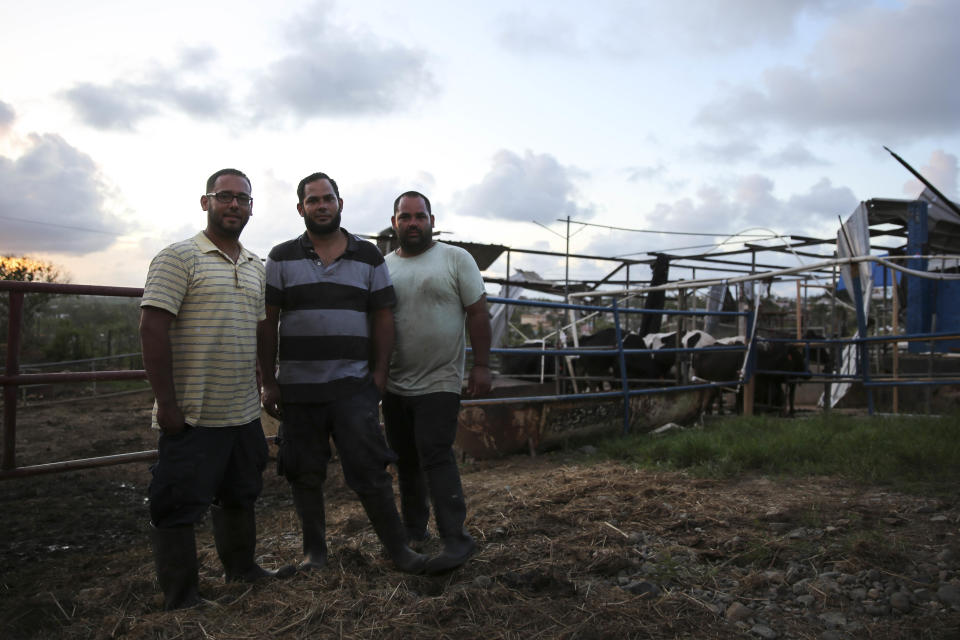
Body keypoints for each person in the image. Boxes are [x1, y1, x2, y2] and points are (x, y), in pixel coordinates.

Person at [258, 172, 426, 574]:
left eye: (327, 198)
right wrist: (268, 379)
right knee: (303, 471)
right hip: (298, 389)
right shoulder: (281, 258)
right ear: (301, 209)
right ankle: (314, 555)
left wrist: (379, 375)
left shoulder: (368, 256)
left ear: (340, 203)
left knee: (369, 467)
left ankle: (399, 551)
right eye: (312, 200)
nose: (321, 206)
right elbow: (267, 321)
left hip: (353, 387)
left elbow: (383, 317)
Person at [140, 168, 293, 611]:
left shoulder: (255, 265)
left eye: (243, 200)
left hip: (242, 411)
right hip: (192, 411)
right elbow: (152, 329)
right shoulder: (178, 258)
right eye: (225, 197)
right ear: (205, 202)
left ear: (251, 208)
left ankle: (242, 569)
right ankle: (182, 597)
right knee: (177, 503)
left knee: (241, 492)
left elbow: (264, 332)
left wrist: (267, 383)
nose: (234, 205)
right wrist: (167, 404)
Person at [383, 190, 492, 574]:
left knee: (434, 453)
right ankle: (415, 530)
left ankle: (456, 538)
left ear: (431, 220)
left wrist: (481, 366)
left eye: (420, 216)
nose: (413, 223)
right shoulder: (384, 267)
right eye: (405, 217)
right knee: (405, 458)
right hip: (394, 383)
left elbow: (478, 313)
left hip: (440, 379)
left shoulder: (455, 259)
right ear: (394, 222)